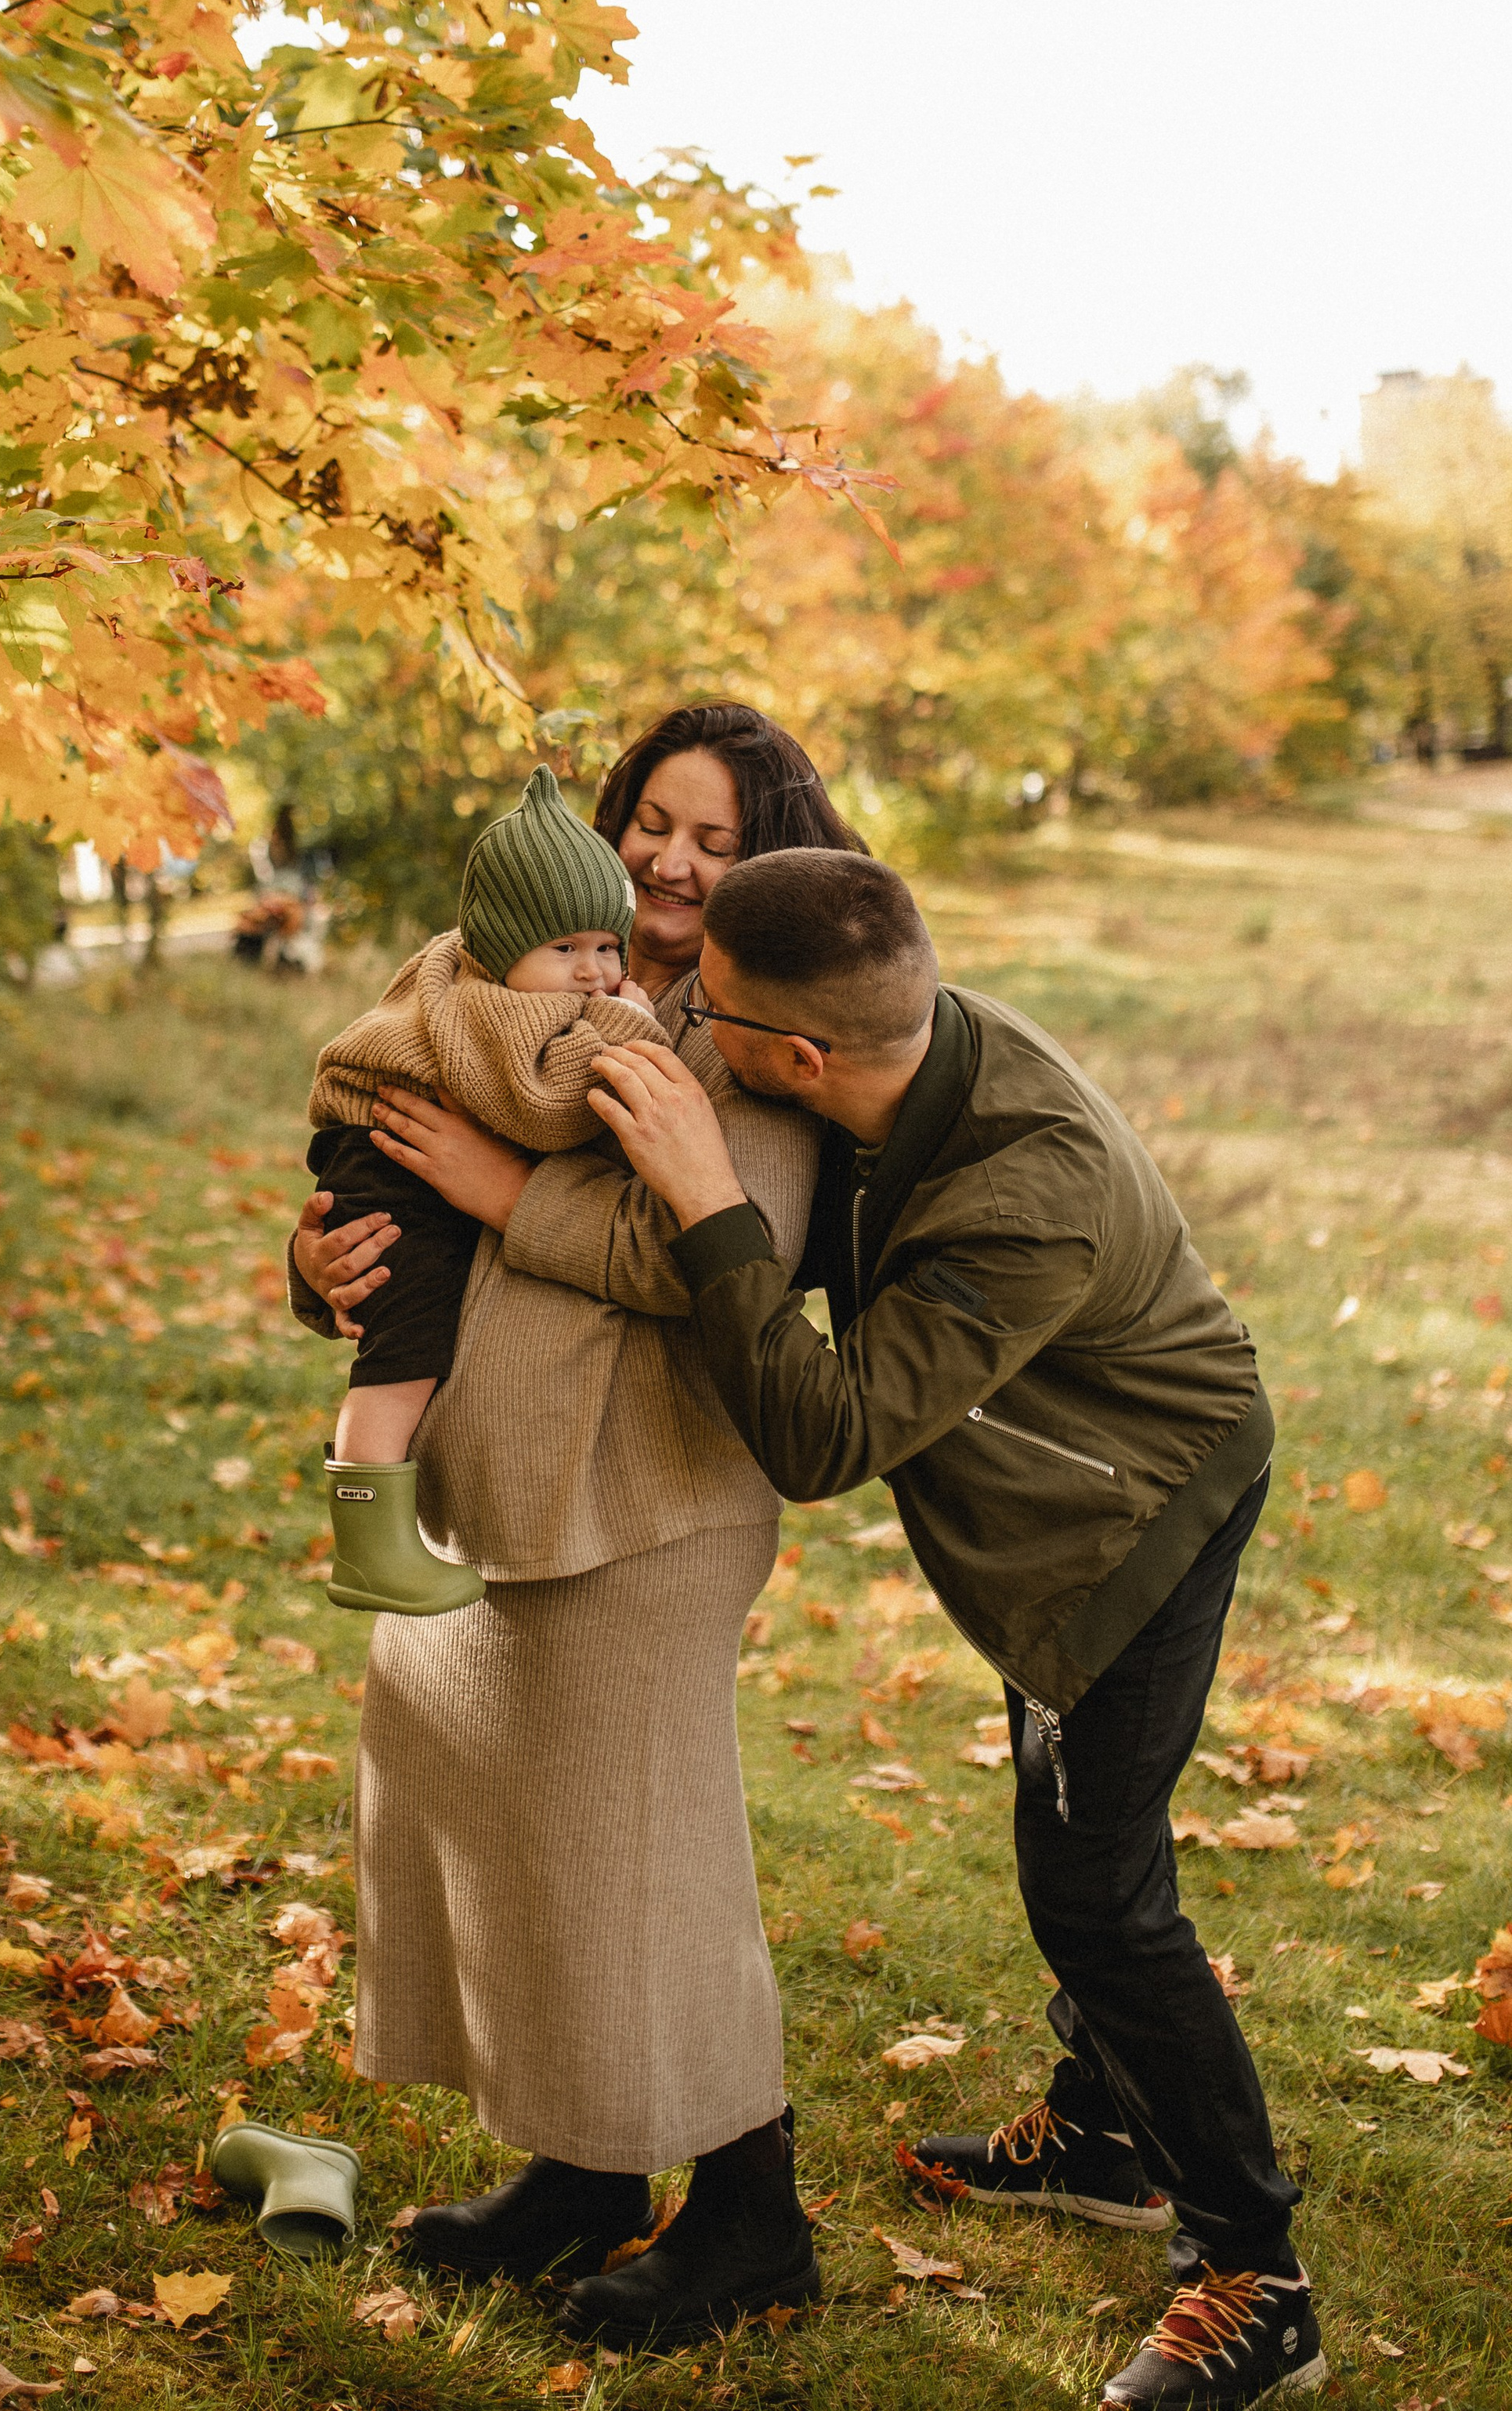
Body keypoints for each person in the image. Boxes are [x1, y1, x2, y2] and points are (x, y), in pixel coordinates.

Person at [576, 845, 1319, 2402]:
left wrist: (706, 1203)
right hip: (1061, 1473)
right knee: (1077, 1850)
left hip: (1135, 1507)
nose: (685, 1031)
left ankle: (1254, 2271)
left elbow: (826, 1433)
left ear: (800, 1054)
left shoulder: (1021, 1186)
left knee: (1095, 1885)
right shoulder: (883, 1067)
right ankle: (1105, 2132)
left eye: (708, 1014)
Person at [288, 707, 865, 2338]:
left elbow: (704, 1248)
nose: (673, 863)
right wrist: (321, 1256)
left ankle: (753, 2214)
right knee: (512, 1834)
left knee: (641, 1860)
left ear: (770, 861)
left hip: (648, 1490)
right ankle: (583, 2169)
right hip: (484, 1479)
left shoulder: (763, 1016)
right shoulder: (524, 960)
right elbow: (379, 1135)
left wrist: (496, 1186)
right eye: (651, 824)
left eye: (715, 838)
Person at [307, 764, 664, 1616]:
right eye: (565, 949)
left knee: (408, 1338)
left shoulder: (500, 985)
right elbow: (544, 1108)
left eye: (607, 947)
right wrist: (630, 1025)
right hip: (392, 1165)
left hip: (387, 1155)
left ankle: (376, 1537)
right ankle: (367, 1545)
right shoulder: (501, 1006)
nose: (592, 971)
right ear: (505, 948)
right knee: (403, 1348)